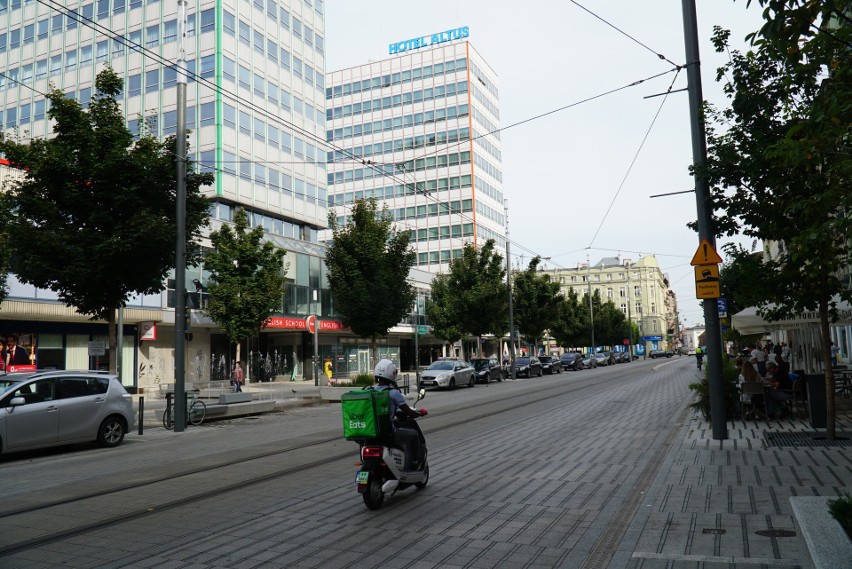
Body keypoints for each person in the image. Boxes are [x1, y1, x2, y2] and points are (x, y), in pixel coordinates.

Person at [373, 359, 425, 471]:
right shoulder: (393, 393)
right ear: (392, 374)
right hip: (387, 434)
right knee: (414, 435)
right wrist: (418, 414)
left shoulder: (370, 391)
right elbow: (407, 412)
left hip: (370, 433)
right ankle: (414, 463)